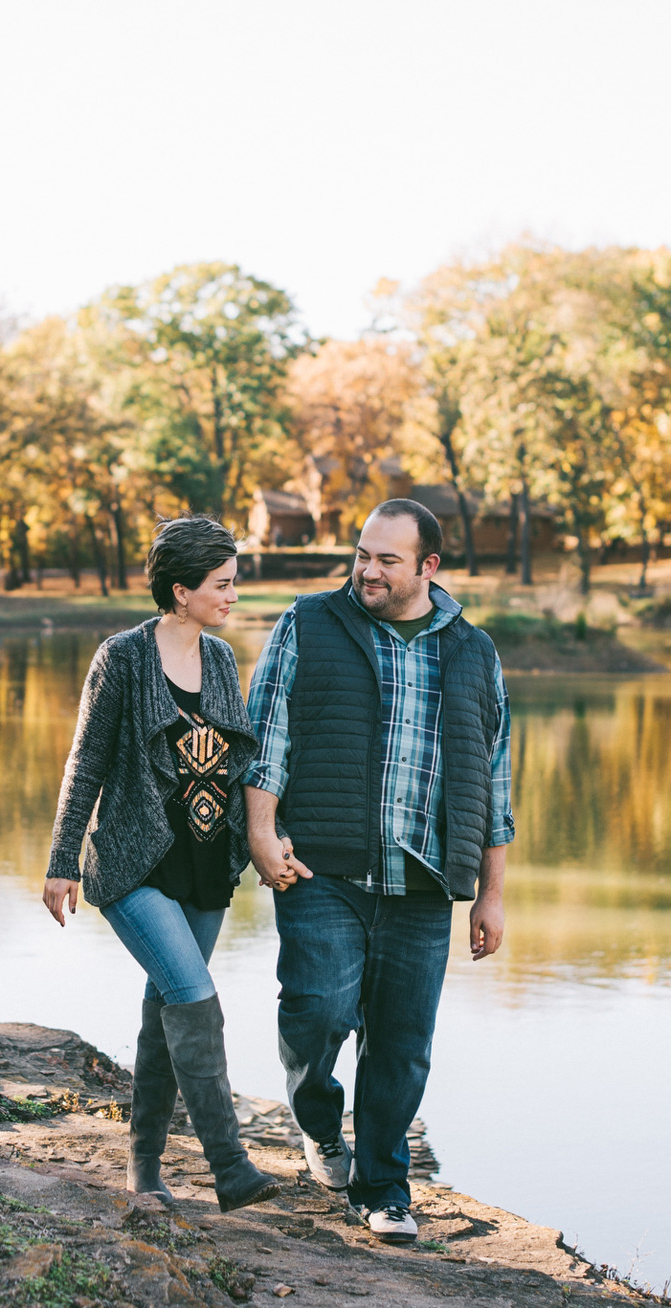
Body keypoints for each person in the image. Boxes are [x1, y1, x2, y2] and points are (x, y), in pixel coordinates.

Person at [242, 499, 513, 1244]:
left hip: (424, 882)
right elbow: (267, 731)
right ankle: (320, 1128)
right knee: (317, 1013)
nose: (367, 569)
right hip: (321, 868)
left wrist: (490, 894)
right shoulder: (308, 622)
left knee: (401, 1044)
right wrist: (261, 833)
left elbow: (494, 780)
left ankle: (385, 1189)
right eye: (362, 553)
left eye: (387, 560)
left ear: (428, 567)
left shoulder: (475, 652)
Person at [43, 516, 282, 1213]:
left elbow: (242, 762)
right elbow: (85, 761)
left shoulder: (218, 660)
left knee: (166, 1009)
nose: (233, 596)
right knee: (194, 997)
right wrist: (63, 861)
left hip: (207, 867)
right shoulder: (121, 658)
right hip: (133, 863)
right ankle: (231, 1166)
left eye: (233, 584)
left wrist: (266, 840)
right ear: (181, 591)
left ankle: (143, 1169)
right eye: (222, 585)